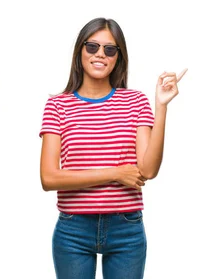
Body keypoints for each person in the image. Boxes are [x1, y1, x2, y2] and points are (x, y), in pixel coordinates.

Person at [39, 17, 185, 279]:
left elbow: (148, 170)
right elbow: (49, 178)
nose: (100, 55)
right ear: (80, 51)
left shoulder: (136, 101)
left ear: (118, 56)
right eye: (92, 46)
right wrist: (115, 173)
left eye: (110, 49)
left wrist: (161, 106)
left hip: (126, 228)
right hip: (73, 230)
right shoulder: (57, 106)